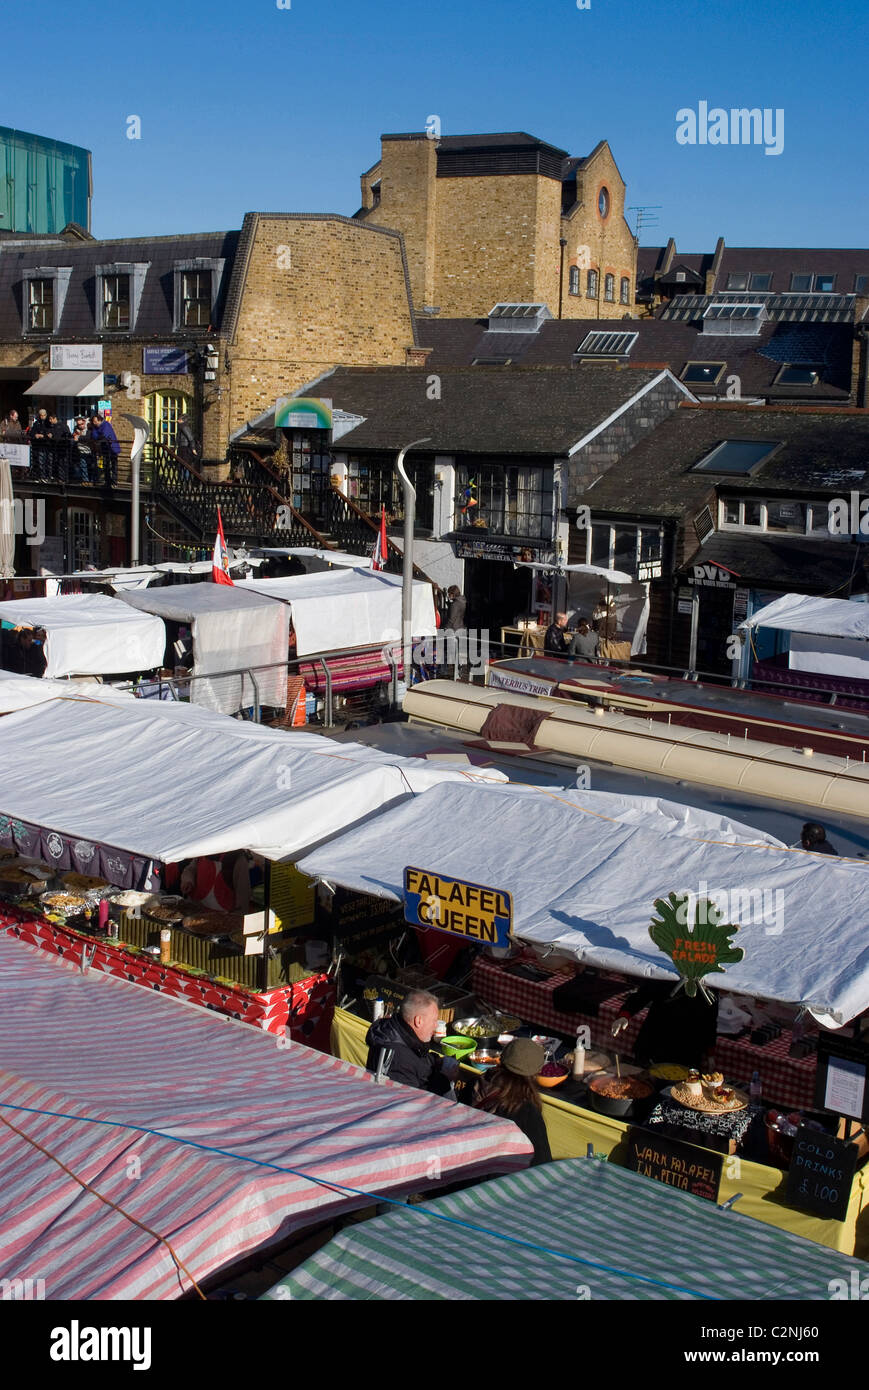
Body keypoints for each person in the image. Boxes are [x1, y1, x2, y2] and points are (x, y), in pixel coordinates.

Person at [474, 1038, 552, 1165]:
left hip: (467, 1168)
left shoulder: (476, 1084)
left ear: (501, 1060)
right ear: (536, 1073)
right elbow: (542, 1163)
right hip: (499, 1177)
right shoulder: (526, 1111)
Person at [365, 989, 458, 1095]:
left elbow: (418, 1057)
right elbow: (413, 1101)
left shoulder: (399, 1031)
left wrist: (435, 1061)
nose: (436, 1025)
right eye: (434, 1020)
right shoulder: (398, 1060)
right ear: (418, 1021)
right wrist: (445, 1080)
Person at [612, 979, 718, 1070]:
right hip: (653, 1044)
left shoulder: (709, 984)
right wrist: (624, 1015)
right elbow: (641, 995)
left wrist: (710, 1053)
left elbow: (710, 1021)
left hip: (687, 1051)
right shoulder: (668, 974)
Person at [88, 413, 120, 484]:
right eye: (93, 422)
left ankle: (114, 481)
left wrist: (98, 437)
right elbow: (94, 436)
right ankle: (107, 480)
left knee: (114, 465)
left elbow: (104, 436)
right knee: (106, 464)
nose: (94, 423)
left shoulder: (106, 425)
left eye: (95, 421)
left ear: (99, 420)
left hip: (112, 448)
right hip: (105, 449)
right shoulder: (96, 427)